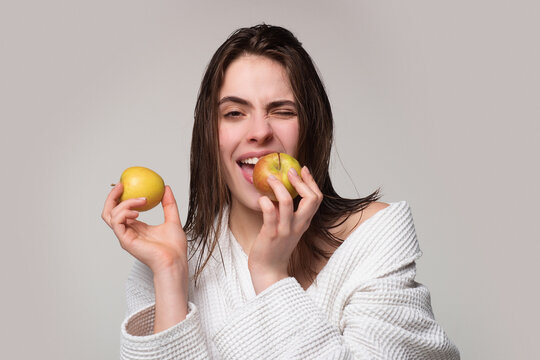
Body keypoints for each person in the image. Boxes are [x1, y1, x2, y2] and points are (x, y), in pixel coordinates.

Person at [102, 24, 460, 360]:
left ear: (311, 130)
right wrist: (169, 276)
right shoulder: (170, 260)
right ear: (210, 136)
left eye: (282, 111)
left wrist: (270, 276)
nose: (259, 131)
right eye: (234, 113)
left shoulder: (371, 239)